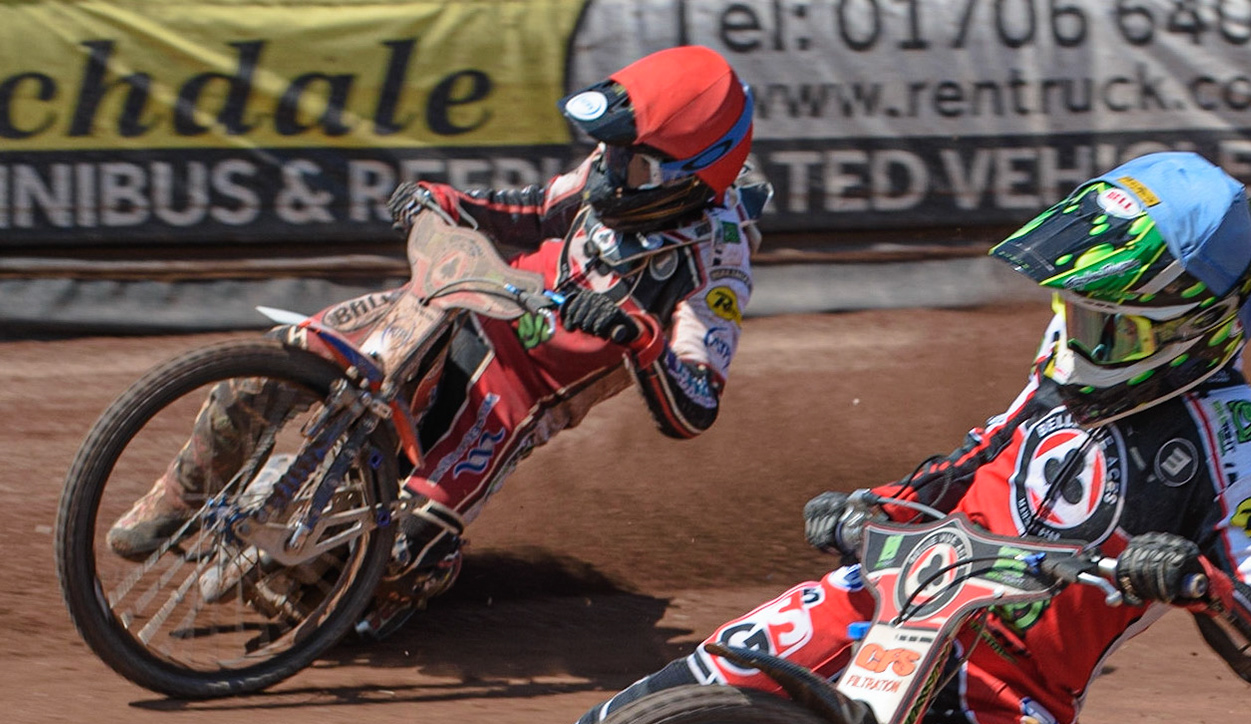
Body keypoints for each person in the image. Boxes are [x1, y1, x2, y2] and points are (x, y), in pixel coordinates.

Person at [361, 151, 1251, 724]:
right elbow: (972, 461)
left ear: (1190, 329)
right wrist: (878, 502)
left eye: (1108, 316)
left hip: (1008, 693)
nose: (1076, 328)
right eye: (1074, 303)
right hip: (898, 597)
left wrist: (1203, 584)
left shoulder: (1241, 442)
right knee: (680, 698)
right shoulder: (1069, 359)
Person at [105, 46, 764, 637]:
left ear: (691, 178)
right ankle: (181, 493)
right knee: (279, 365)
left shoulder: (718, 266)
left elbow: (695, 405)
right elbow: (535, 207)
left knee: (400, 556)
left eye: (635, 163)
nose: (610, 173)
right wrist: (442, 200)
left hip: (519, 395)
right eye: (613, 151)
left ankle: (397, 578)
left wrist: (639, 337)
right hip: (469, 297)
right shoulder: (619, 162)